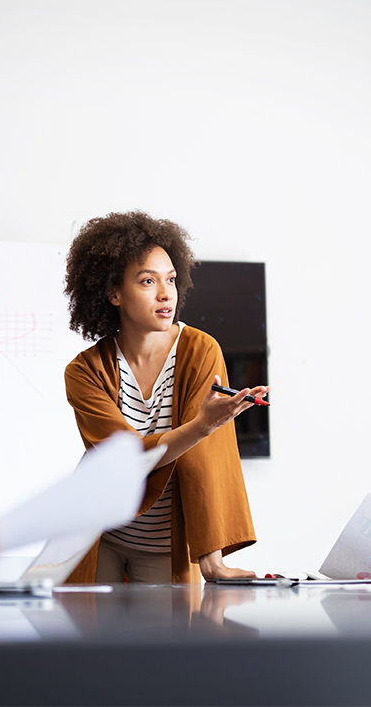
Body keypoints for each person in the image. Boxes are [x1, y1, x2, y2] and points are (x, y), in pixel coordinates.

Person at [62, 210, 265, 583]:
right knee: (89, 636)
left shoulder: (200, 350)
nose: (165, 293)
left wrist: (212, 561)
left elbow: (202, 458)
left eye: (170, 279)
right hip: (100, 535)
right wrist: (202, 425)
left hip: (168, 545)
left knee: (169, 639)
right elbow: (125, 458)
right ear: (113, 293)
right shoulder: (84, 371)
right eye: (147, 281)